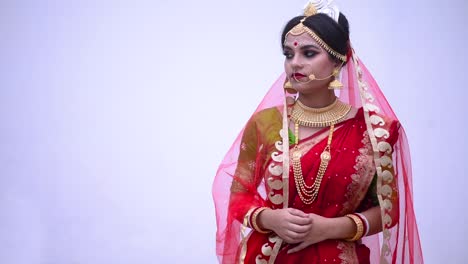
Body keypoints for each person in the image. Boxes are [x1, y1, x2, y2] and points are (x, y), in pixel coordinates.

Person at [213, 1, 423, 263]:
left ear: (338, 60)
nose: (295, 63)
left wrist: (328, 228)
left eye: (309, 54)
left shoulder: (375, 132)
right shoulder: (265, 124)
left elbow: (388, 211)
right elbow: (238, 196)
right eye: (288, 54)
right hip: (269, 256)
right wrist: (270, 218)